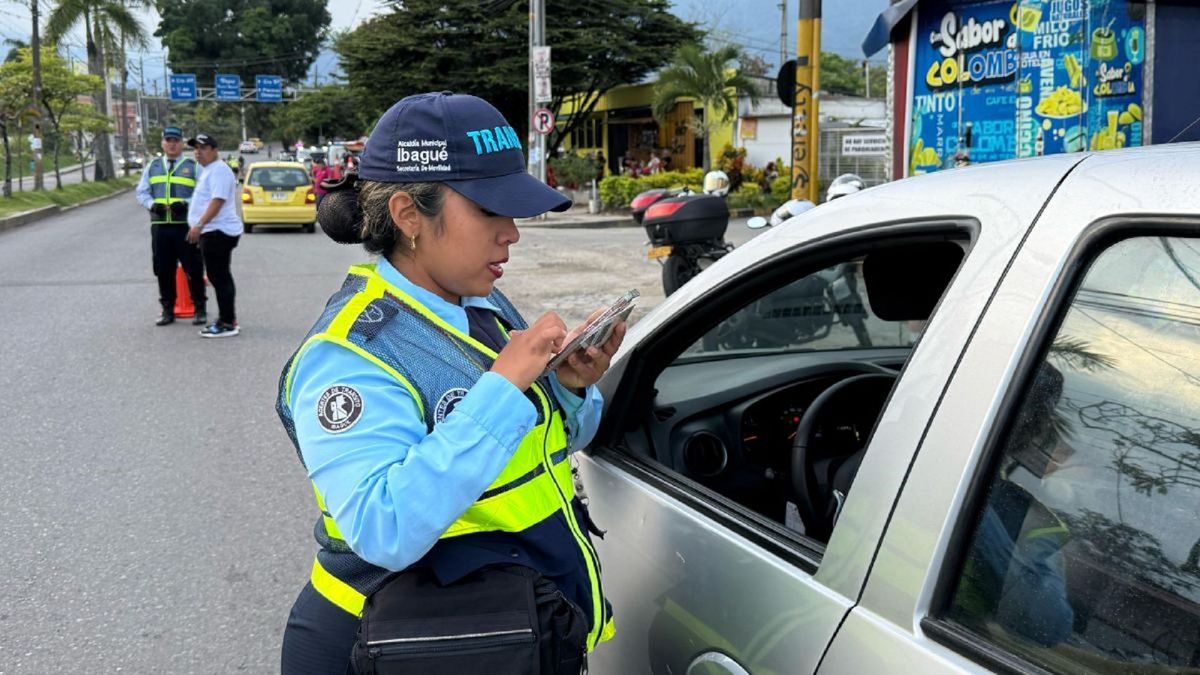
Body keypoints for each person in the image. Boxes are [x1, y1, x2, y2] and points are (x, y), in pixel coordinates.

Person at [275, 91, 623, 674]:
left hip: (504, 636)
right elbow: (382, 528)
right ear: (410, 215)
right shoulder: (348, 355)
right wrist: (504, 388)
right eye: (490, 211)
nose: (511, 232)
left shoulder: (480, 303)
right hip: (390, 647)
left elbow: (544, 449)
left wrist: (567, 387)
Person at [135, 126, 207, 327]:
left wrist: (185, 203)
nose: (172, 144)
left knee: (193, 268)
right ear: (162, 143)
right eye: (168, 140)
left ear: (181, 143)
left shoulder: (193, 167)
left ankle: (200, 308)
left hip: (185, 226)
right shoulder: (153, 166)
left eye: (176, 140)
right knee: (163, 269)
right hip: (160, 226)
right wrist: (152, 204)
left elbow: (204, 193)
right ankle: (168, 309)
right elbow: (142, 192)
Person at [185, 133, 244, 338]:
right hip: (214, 231)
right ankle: (227, 319)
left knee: (219, 277)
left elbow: (217, 201)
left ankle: (227, 322)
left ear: (214, 150)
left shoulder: (219, 171)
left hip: (217, 231)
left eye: (202, 148)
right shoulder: (208, 170)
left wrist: (199, 225)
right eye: (195, 148)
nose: (198, 152)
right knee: (219, 276)